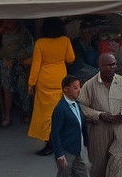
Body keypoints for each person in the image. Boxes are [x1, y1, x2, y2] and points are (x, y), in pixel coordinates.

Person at [77, 53, 122, 177]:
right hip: (99, 131)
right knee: (98, 168)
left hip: (120, 129)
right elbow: (82, 106)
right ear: (100, 66)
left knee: (115, 162)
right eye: (108, 65)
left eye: (113, 64)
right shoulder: (89, 85)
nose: (111, 68)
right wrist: (99, 115)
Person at [28, 18, 76, 155]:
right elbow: (71, 58)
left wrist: (31, 83)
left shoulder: (40, 43)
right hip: (61, 80)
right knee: (61, 111)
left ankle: (49, 143)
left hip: (45, 82)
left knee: (45, 114)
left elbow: (36, 65)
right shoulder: (65, 40)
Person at [0, 17, 34, 127]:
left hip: (20, 64)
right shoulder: (2, 32)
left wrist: (18, 59)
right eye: (6, 20)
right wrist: (5, 59)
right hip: (5, 64)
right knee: (6, 85)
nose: (8, 22)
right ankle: (7, 115)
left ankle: (26, 112)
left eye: (11, 20)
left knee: (23, 83)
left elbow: (30, 50)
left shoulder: (25, 33)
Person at [51, 75, 89, 177]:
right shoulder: (60, 109)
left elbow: (81, 124)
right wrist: (59, 155)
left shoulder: (77, 103)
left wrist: (86, 142)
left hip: (77, 150)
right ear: (66, 89)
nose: (79, 90)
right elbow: (55, 133)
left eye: (79, 87)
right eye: (75, 88)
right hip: (66, 152)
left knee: (84, 174)